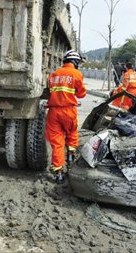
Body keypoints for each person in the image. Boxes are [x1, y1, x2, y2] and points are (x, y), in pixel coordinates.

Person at [45, 50, 87, 183]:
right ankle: (70, 156)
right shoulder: (76, 74)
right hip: (68, 111)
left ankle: (57, 171)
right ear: (75, 61)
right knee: (72, 134)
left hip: (53, 112)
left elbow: (50, 92)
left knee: (57, 142)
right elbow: (81, 94)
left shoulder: (53, 75)